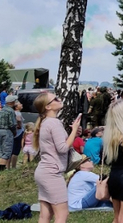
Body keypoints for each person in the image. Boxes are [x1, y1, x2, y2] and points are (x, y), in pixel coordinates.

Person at [33, 93, 83, 223]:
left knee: (46, 214)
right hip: (52, 173)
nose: (59, 99)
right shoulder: (54, 123)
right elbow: (63, 148)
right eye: (55, 99)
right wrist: (74, 131)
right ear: (48, 106)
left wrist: (73, 133)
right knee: (62, 215)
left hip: (43, 172)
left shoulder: (45, 122)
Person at [0, 95, 18, 171]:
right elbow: (12, 124)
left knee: (1, 150)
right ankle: (2, 169)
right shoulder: (11, 111)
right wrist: (14, 132)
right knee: (7, 151)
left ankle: (1, 167)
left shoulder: (2, 110)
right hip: (7, 131)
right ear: (12, 102)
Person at [9, 100, 25, 169]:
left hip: (12, 134)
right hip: (18, 134)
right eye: (19, 104)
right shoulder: (18, 113)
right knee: (15, 151)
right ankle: (14, 166)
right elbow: (18, 120)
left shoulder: (12, 113)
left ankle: (8, 166)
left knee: (10, 150)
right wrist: (19, 125)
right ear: (16, 107)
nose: (21, 104)